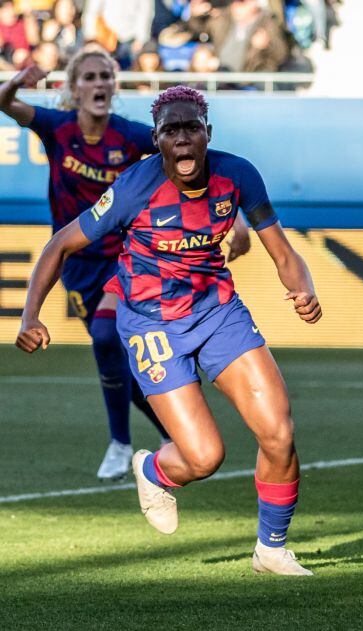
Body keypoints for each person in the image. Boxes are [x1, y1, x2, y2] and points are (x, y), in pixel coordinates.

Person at [16, 86, 322, 576]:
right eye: (170, 130)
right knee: (204, 458)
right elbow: (60, 245)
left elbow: (283, 252)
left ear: (208, 133)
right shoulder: (134, 188)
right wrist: (30, 316)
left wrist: (303, 288)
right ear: (156, 139)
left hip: (218, 312)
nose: (182, 138)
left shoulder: (238, 175)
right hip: (151, 323)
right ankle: (151, 468)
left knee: (279, 432)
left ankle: (271, 548)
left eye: (191, 127)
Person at [0, 48, 175, 480]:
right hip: (77, 264)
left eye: (105, 77)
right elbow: (4, 103)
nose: (99, 84)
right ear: (74, 88)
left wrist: (237, 215)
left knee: (104, 334)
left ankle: (120, 443)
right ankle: (173, 434)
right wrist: (16, 81)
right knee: (116, 357)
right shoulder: (56, 127)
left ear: (114, 86)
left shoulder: (129, 135)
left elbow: (185, 150)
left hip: (125, 258)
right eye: (90, 77)